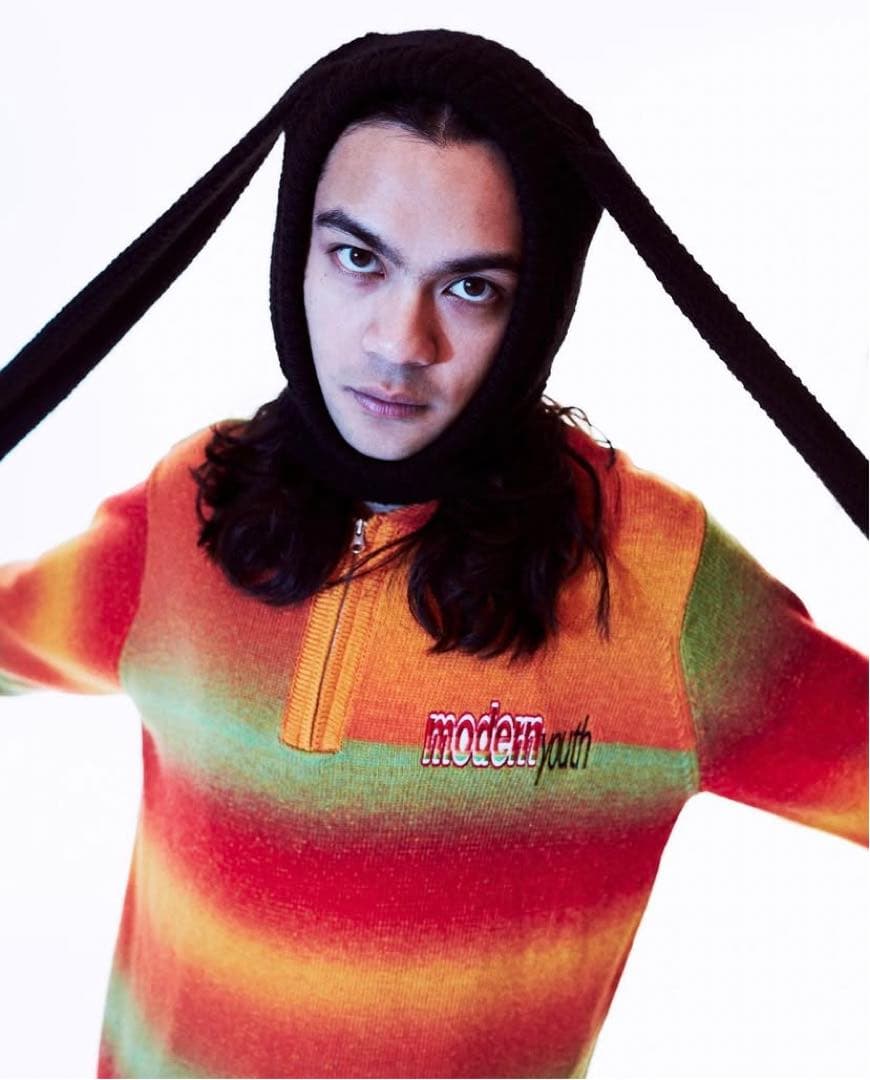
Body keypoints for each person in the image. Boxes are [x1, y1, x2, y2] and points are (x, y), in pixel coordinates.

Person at [0, 28, 866, 1080]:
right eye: (358, 258)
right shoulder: (194, 509)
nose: (399, 343)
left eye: (470, 288)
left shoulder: (654, 583)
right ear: (295, 252)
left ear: (539, 305)